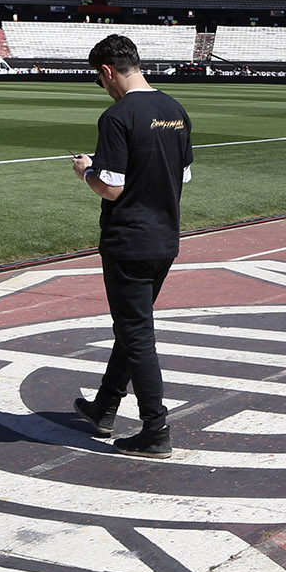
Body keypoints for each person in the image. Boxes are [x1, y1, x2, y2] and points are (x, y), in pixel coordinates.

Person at [70, 34, 194, 458]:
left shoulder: (117, 116)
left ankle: (155, 429)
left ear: (107, 71)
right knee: (133, 325)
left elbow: (110, 187)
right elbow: (186, 177)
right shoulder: (174, 109)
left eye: (99, 79)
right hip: (165, 236)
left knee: (136, 332)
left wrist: (85, 171)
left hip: (129, 240)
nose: (102, 87)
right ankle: (105, 406)